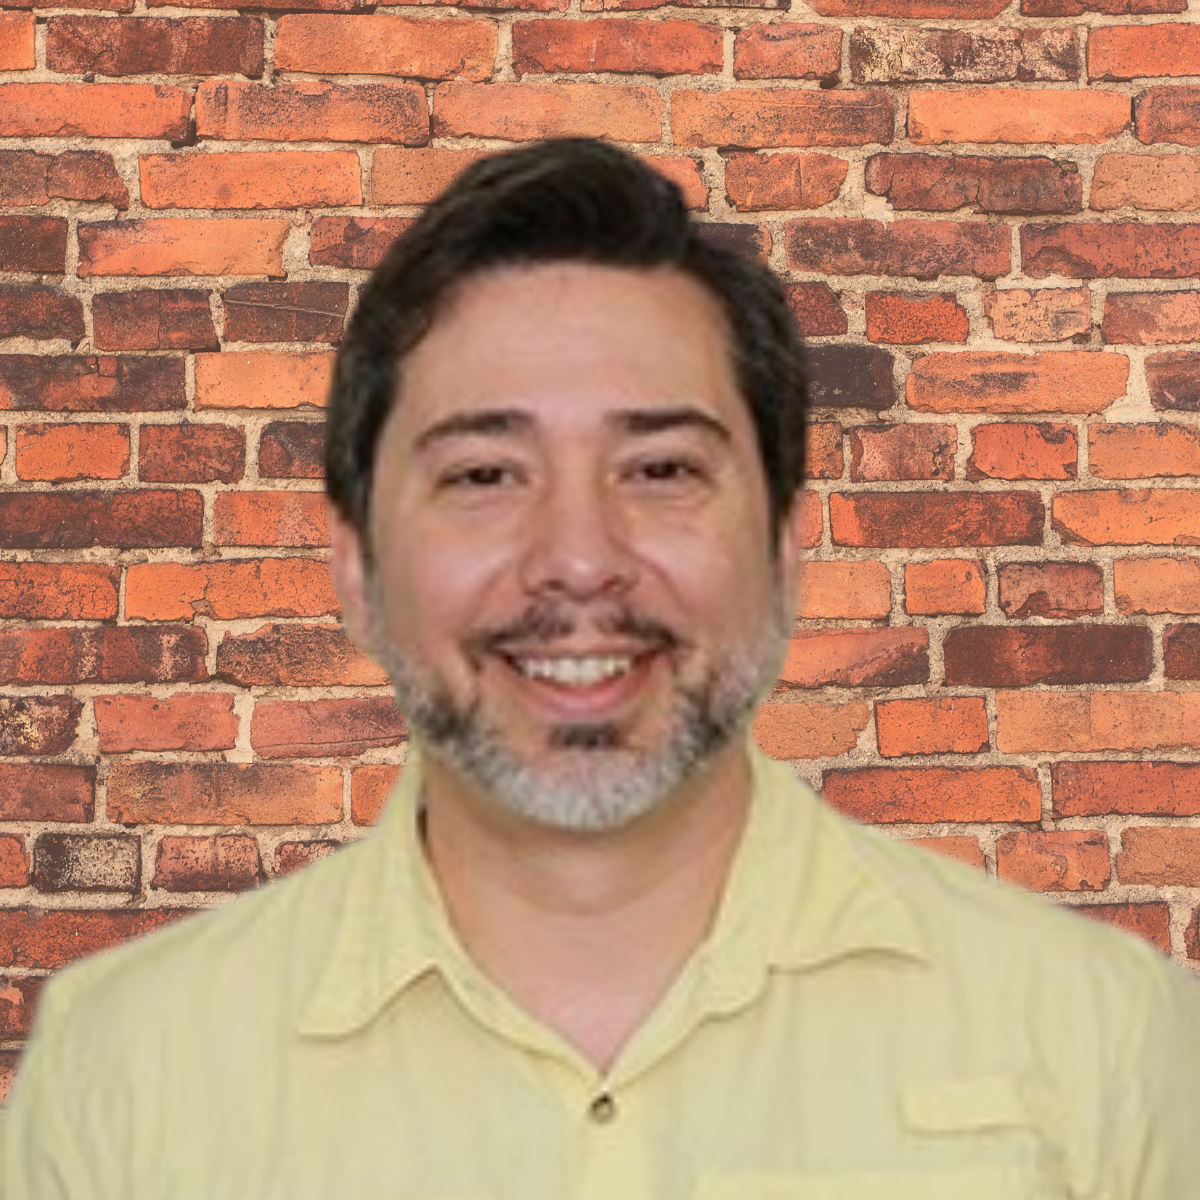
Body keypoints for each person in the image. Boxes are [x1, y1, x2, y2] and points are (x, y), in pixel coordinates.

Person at [4, 138, 1200, 1200]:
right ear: (356, 564)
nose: (578, 559)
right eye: (484, 475)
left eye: (662, 470)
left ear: (787, 549)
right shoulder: (131, 1071)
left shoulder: (1100, 1039)